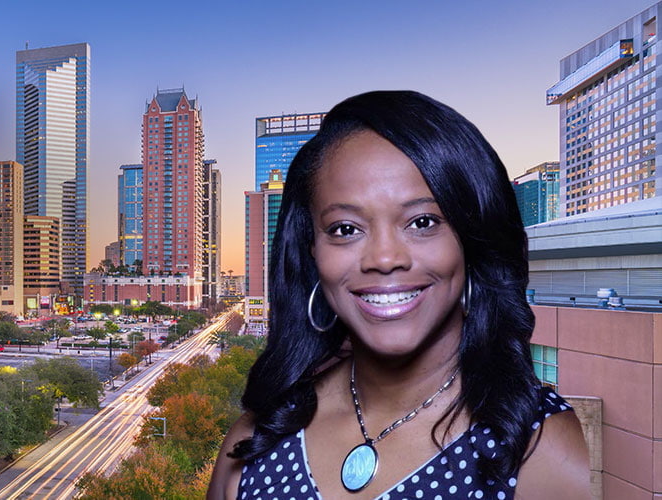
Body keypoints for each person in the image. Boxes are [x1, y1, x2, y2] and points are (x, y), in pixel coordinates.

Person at [207, 91, 589, 499]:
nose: (384, 258)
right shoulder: (254, 444)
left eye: (422, 222)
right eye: (345, 229)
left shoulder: (546, 454)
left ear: (472, 240)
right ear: (311, 251)